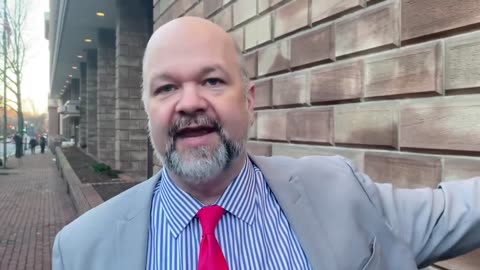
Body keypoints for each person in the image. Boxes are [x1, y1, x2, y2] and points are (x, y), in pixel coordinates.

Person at [52, 17, 480, 270]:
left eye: (212, 80)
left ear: (249, 100)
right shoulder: (81, 251)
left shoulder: (341, 189)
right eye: (166, 88)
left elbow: (456, 213)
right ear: (148, 109)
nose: (189, 102)